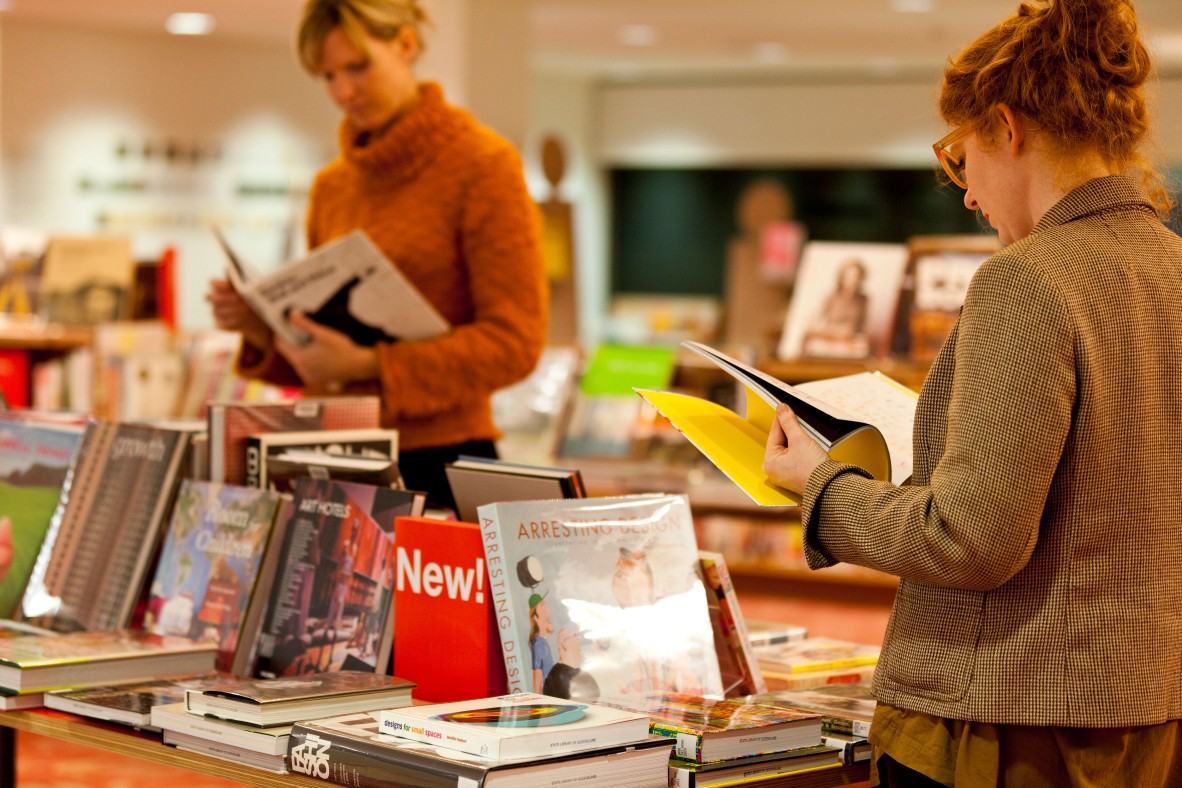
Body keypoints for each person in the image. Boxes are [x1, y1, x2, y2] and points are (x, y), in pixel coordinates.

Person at [762, 0, 1182, 785]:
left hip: (1005, 722)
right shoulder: (1170, 269)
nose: (967, 194)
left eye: (963, 159)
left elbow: (969, 538)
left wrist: (816, 487)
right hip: (1146, 713)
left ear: (1007, 128)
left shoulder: (1028, 280)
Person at [205, 0, 548, 509]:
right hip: (336, 454)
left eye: (358, 67)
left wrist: (371, 361)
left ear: (406, 44)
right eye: (328, 76)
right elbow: (326, 366)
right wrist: (263, 329)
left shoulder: (483, 166)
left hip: (442, 460)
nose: (344, 92)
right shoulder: (332, 187)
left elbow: (516, 342)